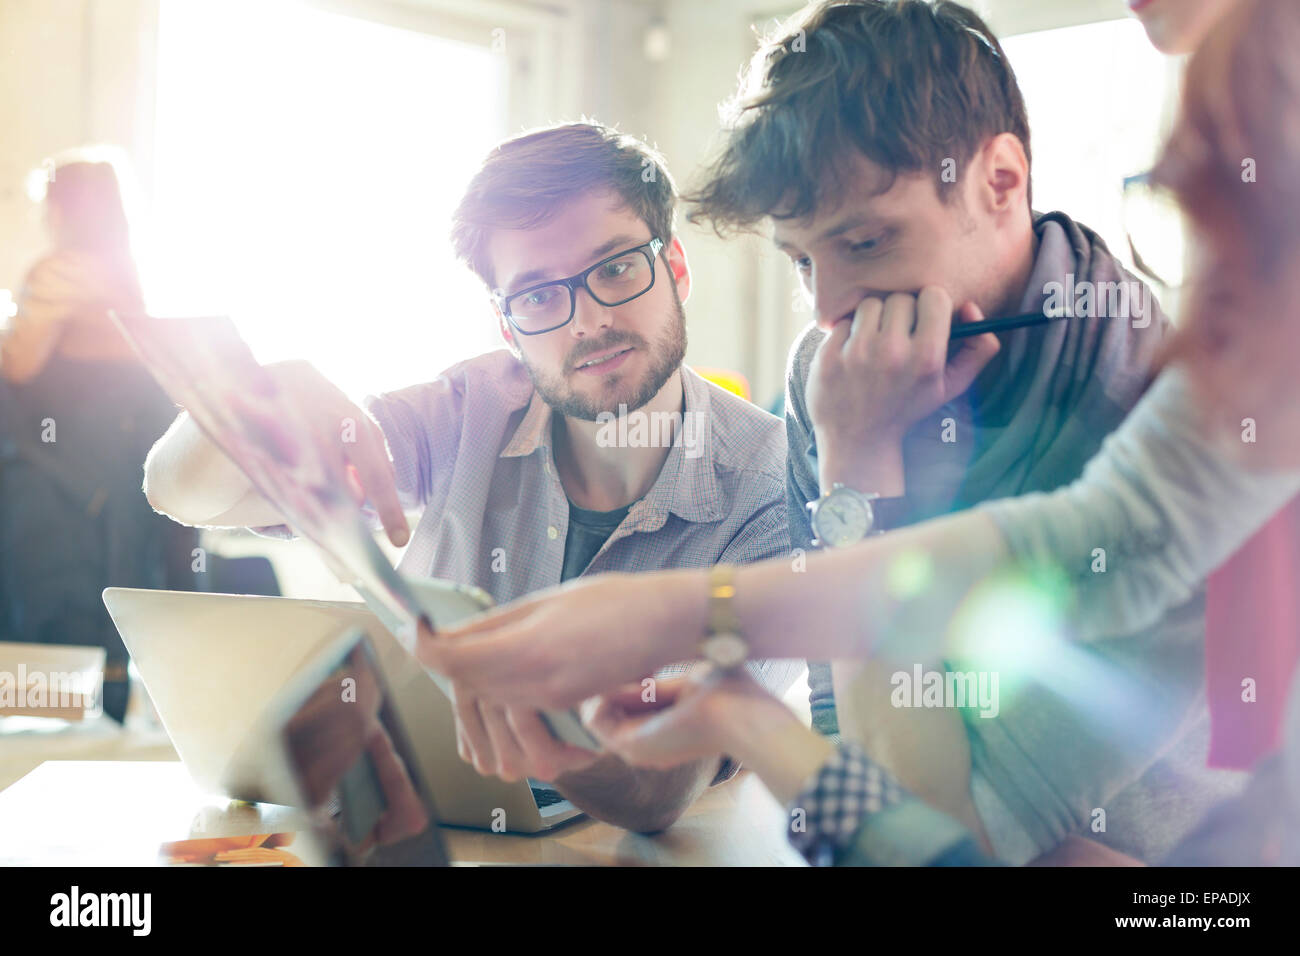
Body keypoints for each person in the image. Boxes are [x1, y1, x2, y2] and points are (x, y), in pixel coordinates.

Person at [418, 0, 1300, 865]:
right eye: (802, 261)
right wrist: (746, 712)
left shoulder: (1167, 410)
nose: (830, 307)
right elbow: (861, 777)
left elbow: (928, 836)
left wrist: (855, 480)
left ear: (1001, 183)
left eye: (868, 242)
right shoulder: (834, 379)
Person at [144, 122, 801, 833]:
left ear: (674, 265)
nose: (587, 322)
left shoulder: (778, 489)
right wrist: (249, 394)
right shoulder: (469, 411)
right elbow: (181, 494)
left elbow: (665, 784)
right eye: (539, 296)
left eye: (615, 269)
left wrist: (532, 717)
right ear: (506, 325)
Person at [0, 150, 196, 722]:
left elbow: (18, 366)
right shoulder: (113, 282)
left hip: (75, 508)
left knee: (55, 687)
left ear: (60, 211)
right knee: (82, 675)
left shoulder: (84, 278)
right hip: (101, 509)